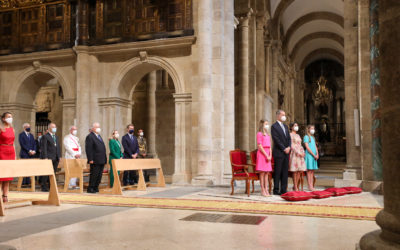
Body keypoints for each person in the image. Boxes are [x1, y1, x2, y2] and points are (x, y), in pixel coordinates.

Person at [271, 110, 291, 195]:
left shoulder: (285, 126)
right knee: (278, 171)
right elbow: (276, 139)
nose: (284, 117)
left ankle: (283, 189)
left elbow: (289, 138)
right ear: (278, 115)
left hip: (286, 152)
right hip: (279, 152)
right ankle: (276, 189)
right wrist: (284, 148)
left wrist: (289, 147)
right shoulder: (274, 126)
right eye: (283, 115)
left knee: (285, 171)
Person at [85, 122, 107, 193]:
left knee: (99, 175)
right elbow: (89, 149)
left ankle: (96, 187)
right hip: (95, 159)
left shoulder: (99, 136)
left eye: (99, 127)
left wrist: (105, 159)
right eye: (97, 127)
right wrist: (90, 159)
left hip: (101, 159)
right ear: (93, 128)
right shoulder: (90, 136)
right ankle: (91, 188)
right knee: (94, 174)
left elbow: (103, 148)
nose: (98, 128)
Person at [40, 123, 61, 192]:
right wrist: (45, 157)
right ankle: (44, 187)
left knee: (53, 173)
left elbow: (58, 147)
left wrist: (59, 156)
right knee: (46, 173)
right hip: (48, 157)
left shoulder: (56, 137)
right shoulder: (45, 136)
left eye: (55, 127)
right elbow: (44, 148)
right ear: (49, 128)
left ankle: (51, 186)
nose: (55, 128)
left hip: (56, 157)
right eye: (53, 127)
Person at [0, 112, 15, 202]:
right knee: (1, 175)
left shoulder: (12, 129)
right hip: (2, 150)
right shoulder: (1, 128)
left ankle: (5, 195)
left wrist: (15, 155)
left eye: (11, 117)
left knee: (8, 176)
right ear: (3, 119)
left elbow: (13, 143)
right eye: (9, 117)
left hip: (11, 152)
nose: (10, 118)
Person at [255, 120, 272, 197]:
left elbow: (270, 146)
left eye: (268, 124)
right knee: (262, 173)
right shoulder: (259, 134)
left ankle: (266, 189)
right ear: (262, 125)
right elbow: (260, 145)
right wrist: (266, 155)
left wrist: (270, 155)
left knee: (267, 173)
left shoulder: (268, 135)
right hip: (262, 154)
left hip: (268, 153)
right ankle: (262, 190)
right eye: (266, 124)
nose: (267, 125)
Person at [289, 122, 306, 191]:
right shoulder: (290, 135)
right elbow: (291, 145)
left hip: (300, 154)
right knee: (295, 171)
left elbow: (300, 145)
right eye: (295, 125)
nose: (297, 126)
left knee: (299, 170)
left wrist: (303, 152)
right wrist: (298, 152)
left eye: (297, 125)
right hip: (294, 153)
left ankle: (296, 186)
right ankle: (295, 186)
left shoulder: (298, 135)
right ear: (291, 127)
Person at [304, 125, 319, 191]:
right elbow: (307, 147)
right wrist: (313, 154)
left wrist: (317, 154)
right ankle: (309, 186)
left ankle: (312, 185)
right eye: (312, 128)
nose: (313, 130)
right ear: (308, 129)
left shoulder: (313, 137)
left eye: (314, 128)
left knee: (312, 171)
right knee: (309, 171)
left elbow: (315, 146)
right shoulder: (306, 137)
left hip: (314, 156)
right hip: (309, 155)